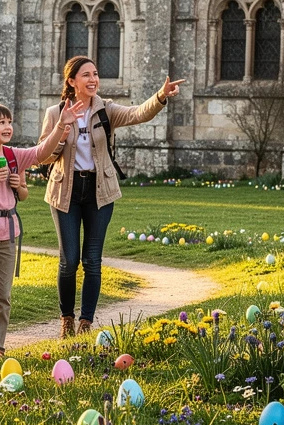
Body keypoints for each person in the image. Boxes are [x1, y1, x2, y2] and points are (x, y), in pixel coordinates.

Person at [40, 57, 184, 337]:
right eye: (86, 75)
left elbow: (138, 113)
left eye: (95, 74)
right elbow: (43, 155)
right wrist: (62, 130)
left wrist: (161, 96)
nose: (93, 79)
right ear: (72, 81)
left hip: (100, 191)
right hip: (65, 191)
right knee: (69, 261)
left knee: (92, 261)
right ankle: (67, 318)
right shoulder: (55, 113)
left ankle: (86, 322)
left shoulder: (105, 109)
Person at [0, 100, 81, 362]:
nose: (7, 127)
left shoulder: (15, 156)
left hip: (9, 232)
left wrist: (61, 124)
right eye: (1, 122)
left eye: (9, 122)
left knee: (3, 295)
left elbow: (42, 152)